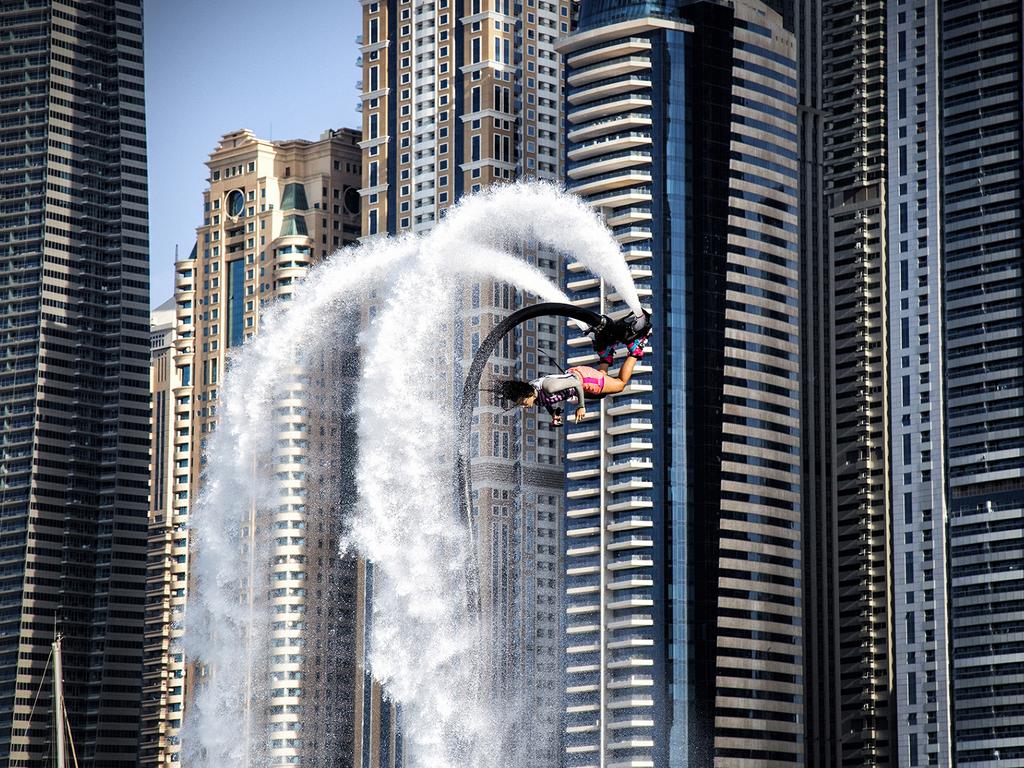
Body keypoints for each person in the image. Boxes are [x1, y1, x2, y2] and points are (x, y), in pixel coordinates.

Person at [493, 328, 649, 427]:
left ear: (526, 394)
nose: (524, 406)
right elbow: (546, 402)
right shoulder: (535, 397)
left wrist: (581, 406)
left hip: (582, 379)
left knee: (619, 385)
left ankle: (635, 348)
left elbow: (575, 383)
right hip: (576, 380)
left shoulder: (549, 387)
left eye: (522, 402)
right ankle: (605, 354)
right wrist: (553, 414)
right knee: (601, 393)